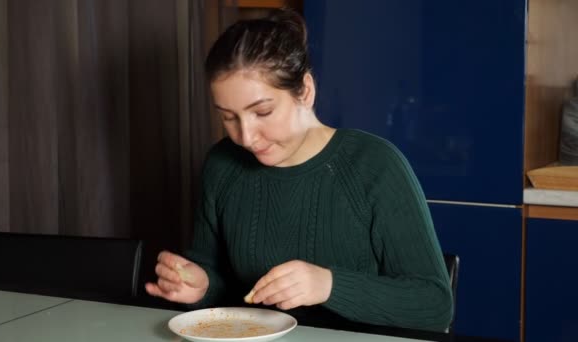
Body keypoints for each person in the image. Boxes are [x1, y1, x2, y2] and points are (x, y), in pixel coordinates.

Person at [145, 9, 453, 332]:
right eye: (228, 117)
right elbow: (218, 278)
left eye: (262, 111)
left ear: (305, 90)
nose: (246, 137)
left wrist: (327, 285)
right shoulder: (222, 165)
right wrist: (200, 285)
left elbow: (434, 305)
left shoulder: (376, 166)